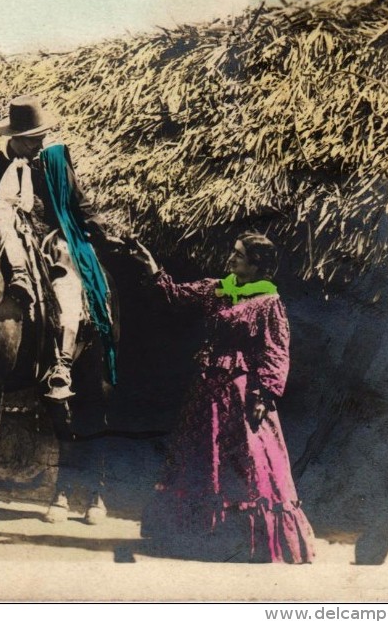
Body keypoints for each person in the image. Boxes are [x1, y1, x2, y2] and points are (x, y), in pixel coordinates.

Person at [129, 232, 316, 563]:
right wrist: (149, 264)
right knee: (202, 460)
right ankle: (197, 537)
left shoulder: (268, 302)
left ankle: (240, 540)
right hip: (207, 395)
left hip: (242, 394)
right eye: (232, 252)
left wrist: (265, 394)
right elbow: (173, 294)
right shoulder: (218, 288)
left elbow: (275, 350)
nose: (230, 259)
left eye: (239, 256)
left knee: (245, 464)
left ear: (256, 265)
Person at [0, 95, 120, 398]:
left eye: (41, 137)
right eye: (31, 140)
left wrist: (100, 233)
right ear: (14, 138)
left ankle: (62, 364)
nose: (39, 144)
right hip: (4, 245)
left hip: (50, 239)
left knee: (68, 277)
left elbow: (78, 202)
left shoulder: (53, 161)